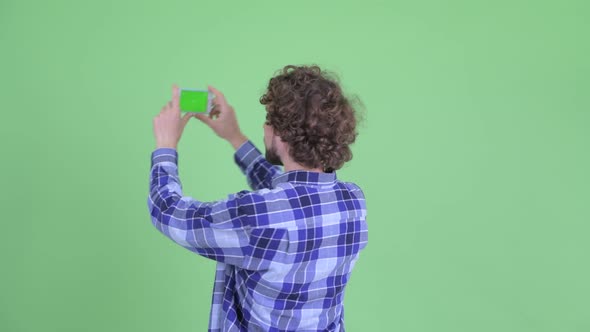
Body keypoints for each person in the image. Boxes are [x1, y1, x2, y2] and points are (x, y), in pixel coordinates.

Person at [148, 65, 368, 331]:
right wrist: (234, 136)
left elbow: (167, 211)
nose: (264, 127)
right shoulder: (352, 202)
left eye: (268, 120)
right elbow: (293, 200)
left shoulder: (258, 216)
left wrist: (165, 144)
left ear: (283, 134)